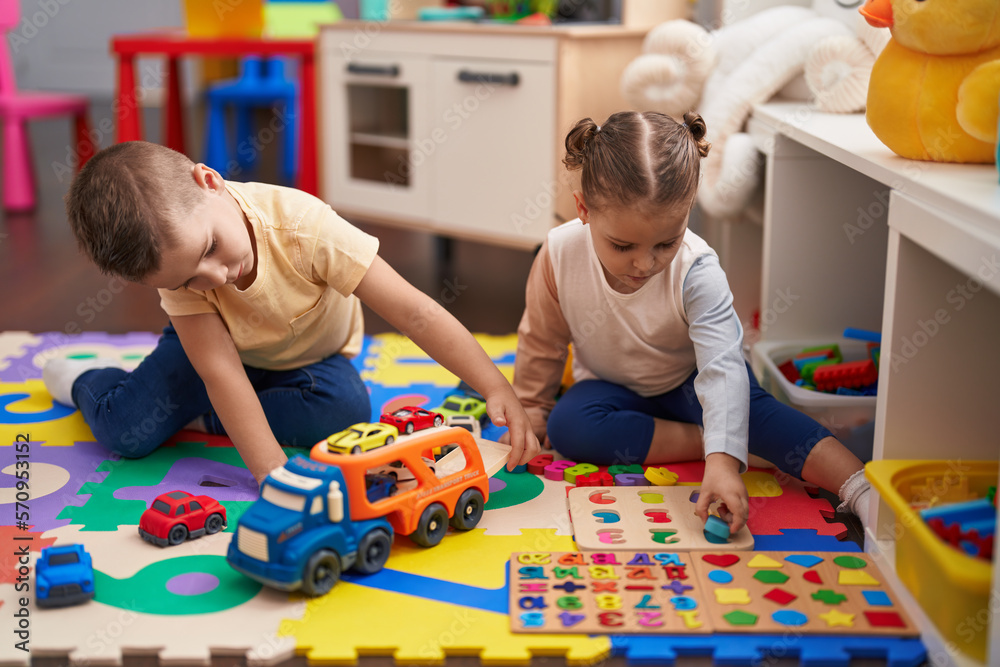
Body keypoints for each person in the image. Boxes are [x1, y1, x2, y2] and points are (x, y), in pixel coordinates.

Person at [46, 141, 539, 486]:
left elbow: (417, 313)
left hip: (309, 361)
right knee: (125, 430)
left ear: (210, 181)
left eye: (212, 248)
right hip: (214, 354)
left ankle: (206, 417)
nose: (214, 278)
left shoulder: (305, 227)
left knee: (344, 413)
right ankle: (85, 380)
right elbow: (219, 372)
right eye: (187, 280)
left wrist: (495, 386)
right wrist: (271, 470)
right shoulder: (186, 270)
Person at [510, 111, 872, 534]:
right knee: (569, 425)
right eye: (622, 245)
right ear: (584, 209)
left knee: (757, 414)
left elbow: (721, 371)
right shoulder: (557, 254)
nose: (644, 263)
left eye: (667, 242)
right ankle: (724, 442)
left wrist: (722, 465)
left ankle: (861, 488)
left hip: (691, 384)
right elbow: (542, 341)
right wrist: (532, 409)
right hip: (612, 391)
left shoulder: (697, 271)